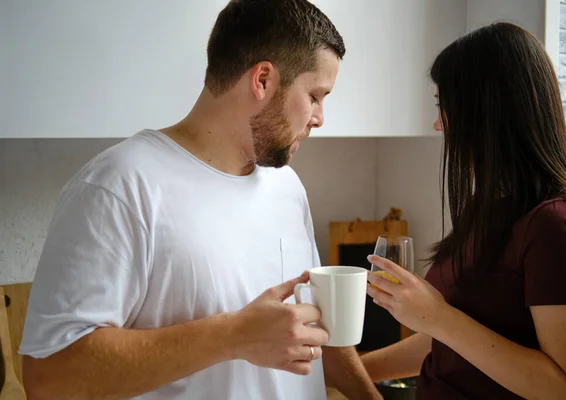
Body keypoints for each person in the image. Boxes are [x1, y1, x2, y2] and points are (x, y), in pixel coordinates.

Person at [19, 1, 381, 399]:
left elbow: (314, 327)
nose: (319, 117)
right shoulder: (120, 186)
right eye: (315, 95)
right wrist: (233, 335)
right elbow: (48, 377)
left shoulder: (287, 188)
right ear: (262, 80)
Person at [362, 22, 566, 399]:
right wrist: (352, 371)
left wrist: (439, 317)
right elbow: (451, 343)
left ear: (487, 111)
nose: (438, 124)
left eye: (445, 108)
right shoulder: (492, 206)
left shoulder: (559, 225)